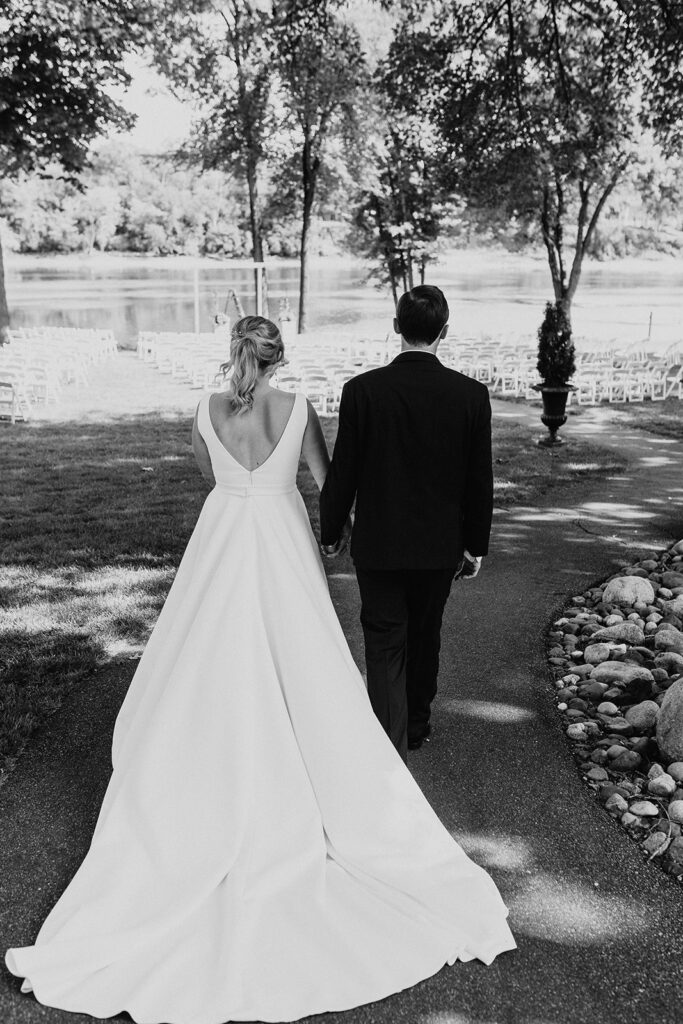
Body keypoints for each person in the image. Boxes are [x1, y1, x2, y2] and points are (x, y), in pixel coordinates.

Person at [5, 316, 514, 1024]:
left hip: (223, 535)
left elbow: (209, 474)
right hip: (277, 535)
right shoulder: (298, 408)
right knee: (298, 653)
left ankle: (208, 754)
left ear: (234, 354)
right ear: (279, 357)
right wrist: (332, 525)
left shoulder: (205, 410)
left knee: (206, 651)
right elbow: (323, 480)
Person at [320, 285, 493, 762]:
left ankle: (386, 733)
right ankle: (415, 725)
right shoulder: (471, 396)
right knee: (425, 633)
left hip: (379, 544)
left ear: (396, 328)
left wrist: (330, 530)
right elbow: (480, 481)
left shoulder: (362, 391)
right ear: (444, 332)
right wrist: (475, 544)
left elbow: (344, 471)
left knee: (382, 636)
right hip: (440, 546)